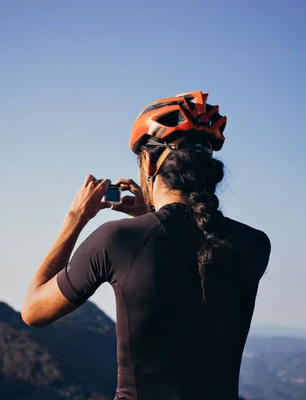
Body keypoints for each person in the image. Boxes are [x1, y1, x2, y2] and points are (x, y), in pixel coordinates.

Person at [21, 91, 271, 400]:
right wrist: (150, 216)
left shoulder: (117, 240)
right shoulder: (255, 244)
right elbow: (183, 262)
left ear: (148, 162)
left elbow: (34, 311)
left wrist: (74, 220)